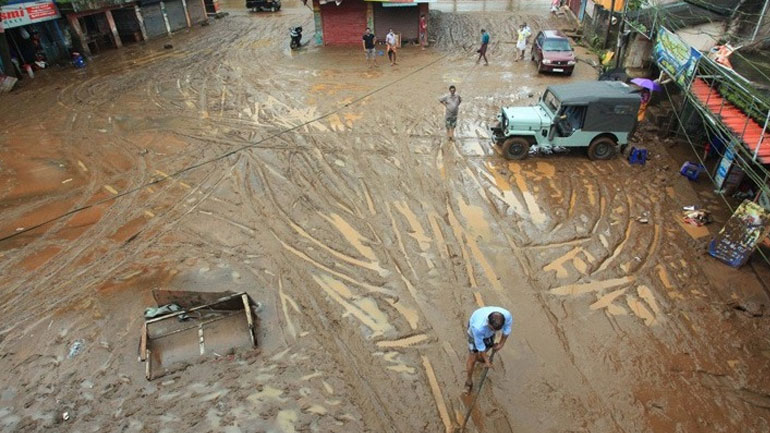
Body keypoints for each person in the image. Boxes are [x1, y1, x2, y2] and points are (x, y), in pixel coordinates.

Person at [464, 306, 513, 394]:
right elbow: (480, 346)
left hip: (487, 333)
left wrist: (501, 344)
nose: (492, 330)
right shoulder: (478, 327)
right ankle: (468, 382)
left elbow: (507, 330)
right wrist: (487, 361)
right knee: (473, 358)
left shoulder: (507, 316)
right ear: (487, 322)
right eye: (491, 328)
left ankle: (481, 357)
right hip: (474, 333)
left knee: (487, 347)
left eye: (495, 330)